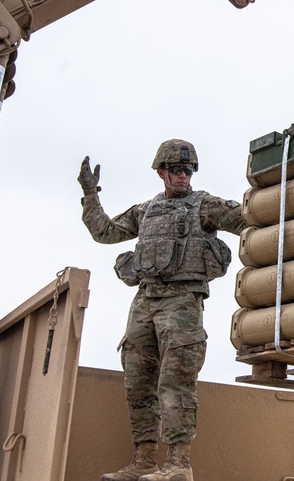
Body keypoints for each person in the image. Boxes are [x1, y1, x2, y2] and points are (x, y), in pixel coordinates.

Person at [78, 139, 245, 481]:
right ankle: (143, 460)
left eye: (189, 170)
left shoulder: (205, 206)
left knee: (175, 381)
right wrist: (90, 194)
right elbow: (104, 232)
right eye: (177, 170)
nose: (184, 176)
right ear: (161, 172)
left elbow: (249, 220)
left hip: (183, 302)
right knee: (138, 381)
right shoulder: (146, 211)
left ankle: (178, 464)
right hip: (145, 301)